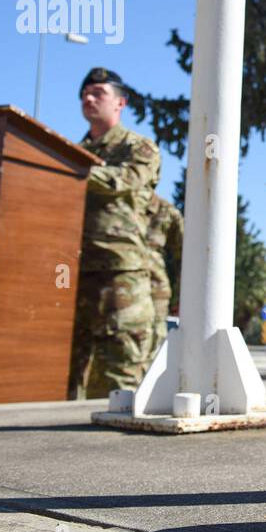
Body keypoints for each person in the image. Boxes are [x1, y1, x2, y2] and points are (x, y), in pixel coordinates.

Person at [69, 68, 161, 399]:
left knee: (121, 379)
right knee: (68, 381)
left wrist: (71, 172)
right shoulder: (69, 153)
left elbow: (123, 182)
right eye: (84, 94)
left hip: (120, 275)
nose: (88, 99)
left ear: (120, 102)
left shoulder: (138, 148)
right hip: (72, 275)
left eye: (98, 93)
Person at [145, 192, 184, 357]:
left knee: (148, 347)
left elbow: (187, 257)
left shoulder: (164, 209)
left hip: (151, 290)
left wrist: (183, 301)